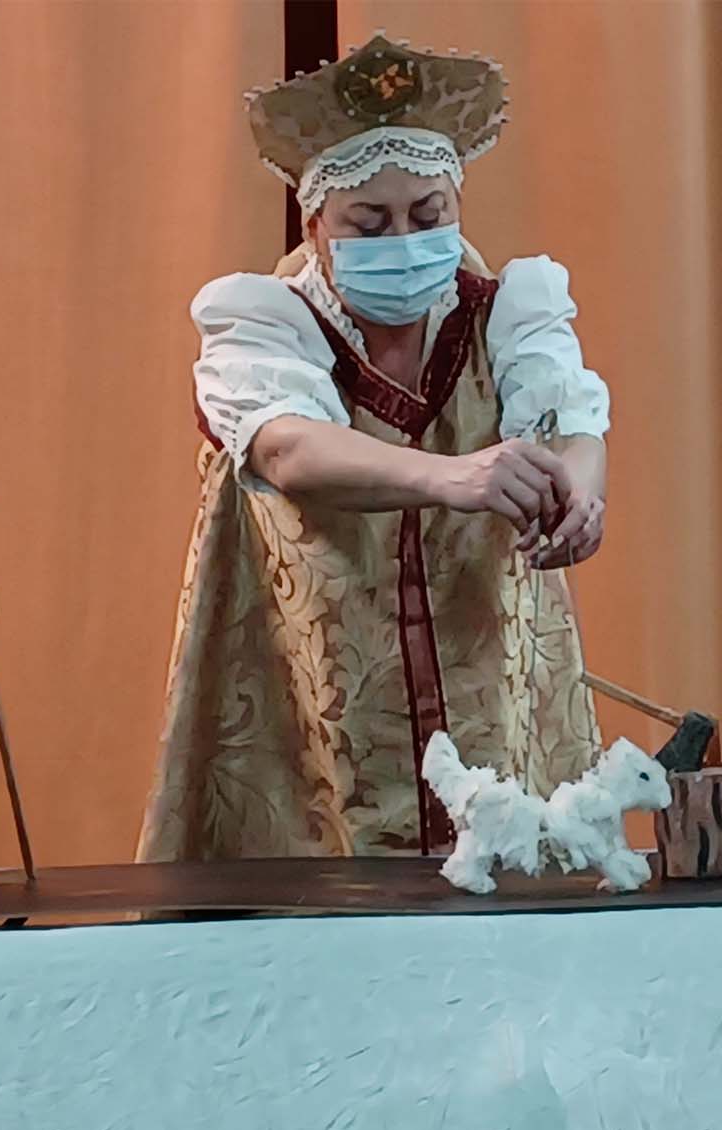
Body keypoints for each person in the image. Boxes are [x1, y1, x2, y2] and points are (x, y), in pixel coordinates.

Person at [137, 36, 611, 861]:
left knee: (503, 878)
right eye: (370, 222)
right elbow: (287, 450)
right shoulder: (263, 326)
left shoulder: (508, 312)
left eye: (428, 216)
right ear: (316, 225)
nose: (404, 239)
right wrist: (455, 476)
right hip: (307, 706)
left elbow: (573, 418)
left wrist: (579, 492)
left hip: (487, 694)